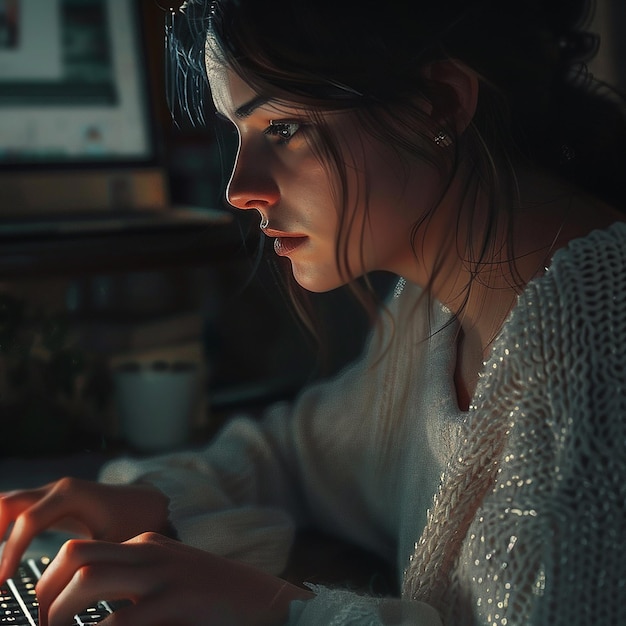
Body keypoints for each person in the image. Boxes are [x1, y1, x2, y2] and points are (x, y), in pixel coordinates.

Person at [1, 0, 625, 623]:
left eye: (282, 129)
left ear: (438, 101)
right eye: (240, 134)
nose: (239, 189)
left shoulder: (596, 348)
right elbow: (293, 456)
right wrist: (153, 502)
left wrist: (284, 612)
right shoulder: (434, 315)